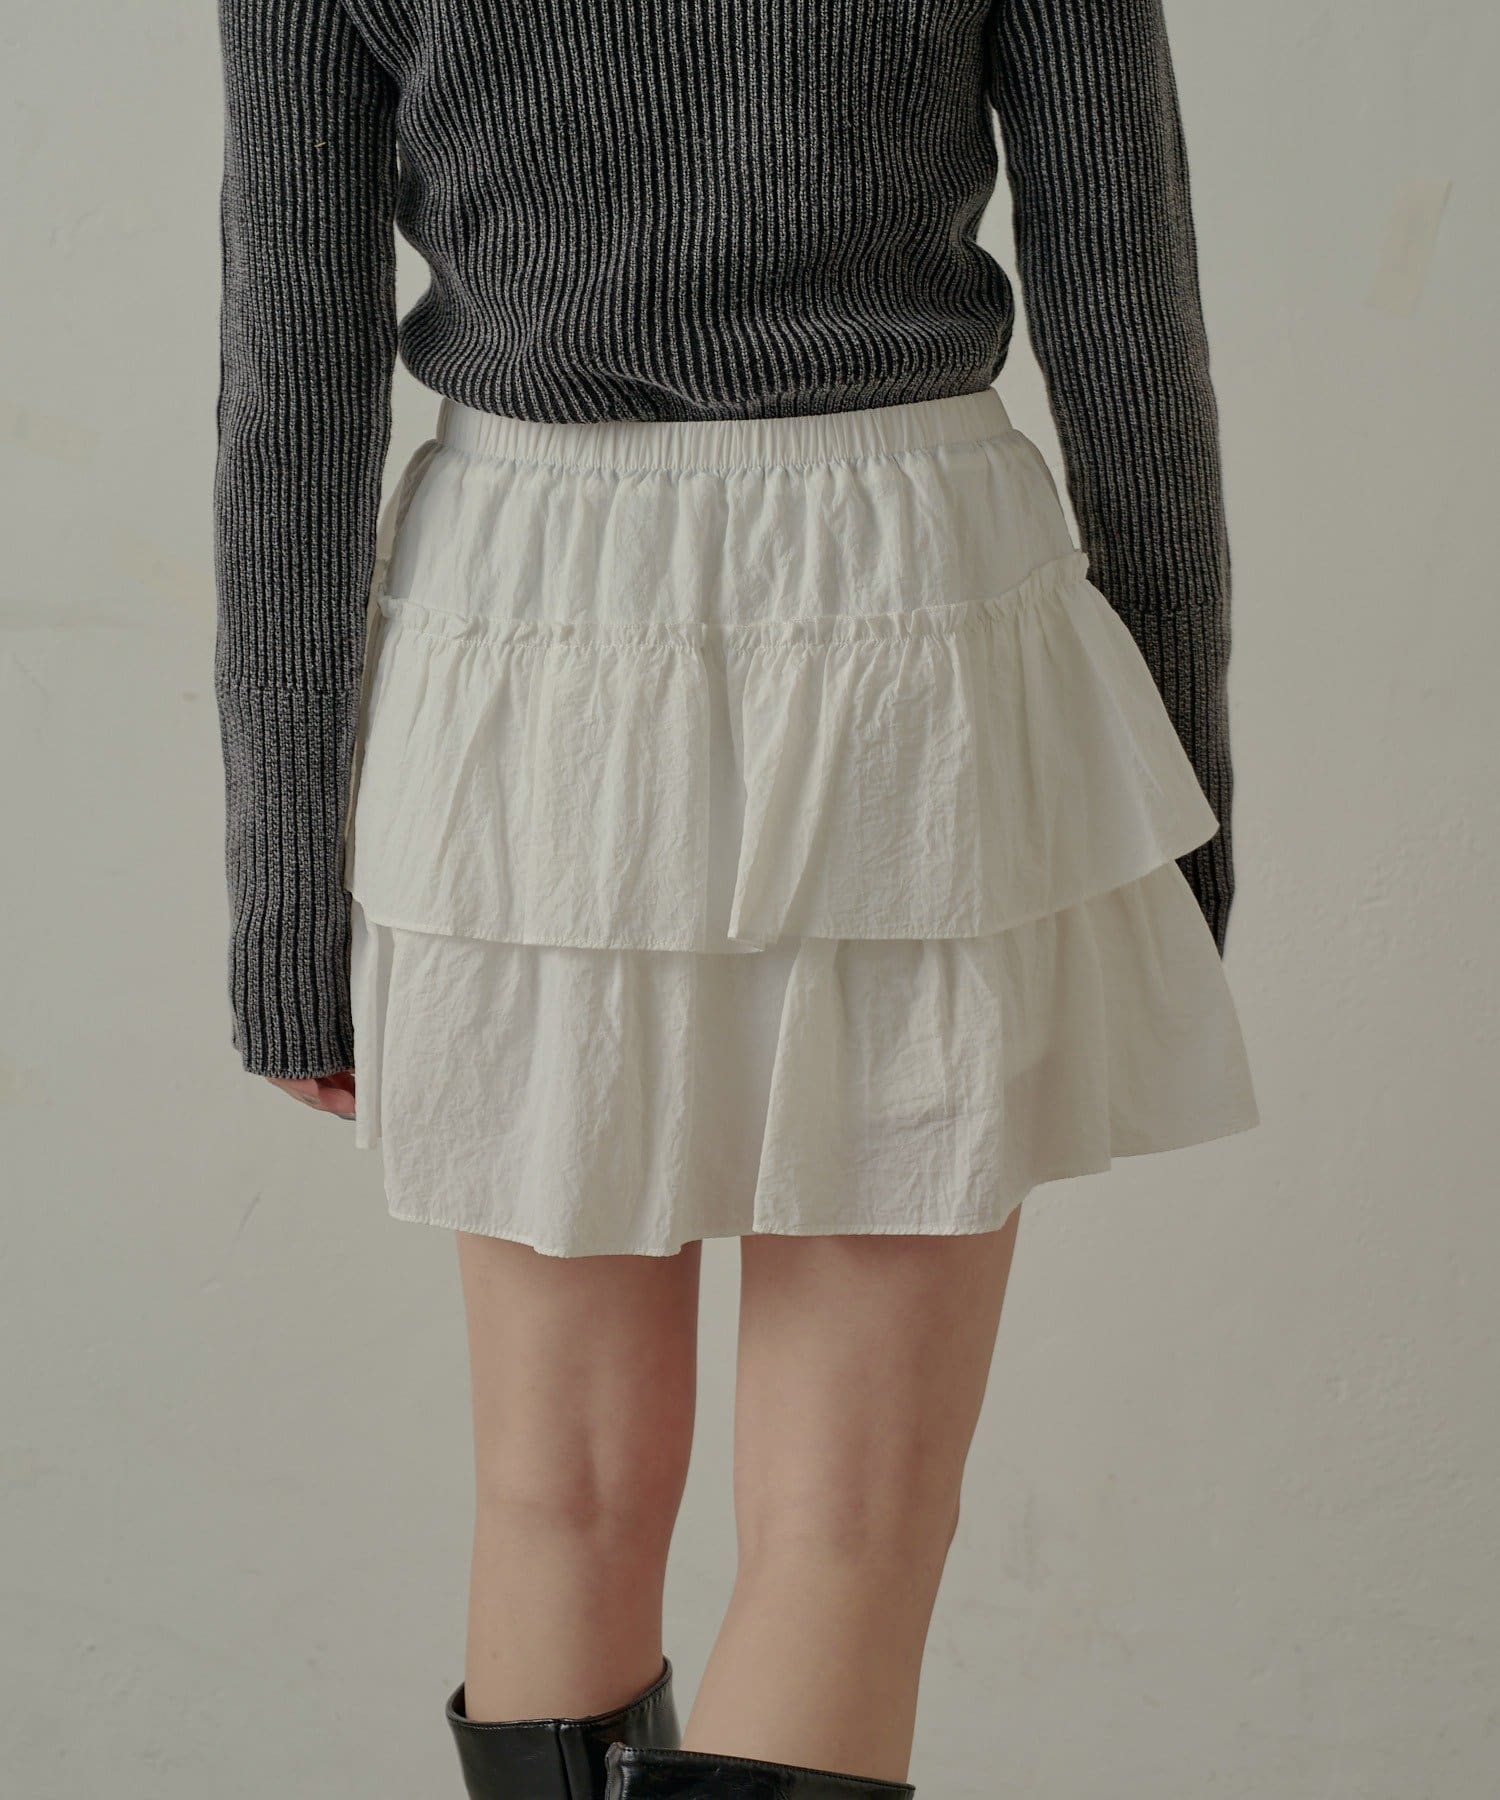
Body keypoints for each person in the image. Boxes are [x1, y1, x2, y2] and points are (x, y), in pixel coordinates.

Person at [213, 4, 1258, 1796]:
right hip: (911, 611)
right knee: (850, 1518)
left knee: (557, 1491)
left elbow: (289, 388)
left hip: (525, 636)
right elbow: (1128, 323)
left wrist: (288, 896)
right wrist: (1171, 794)